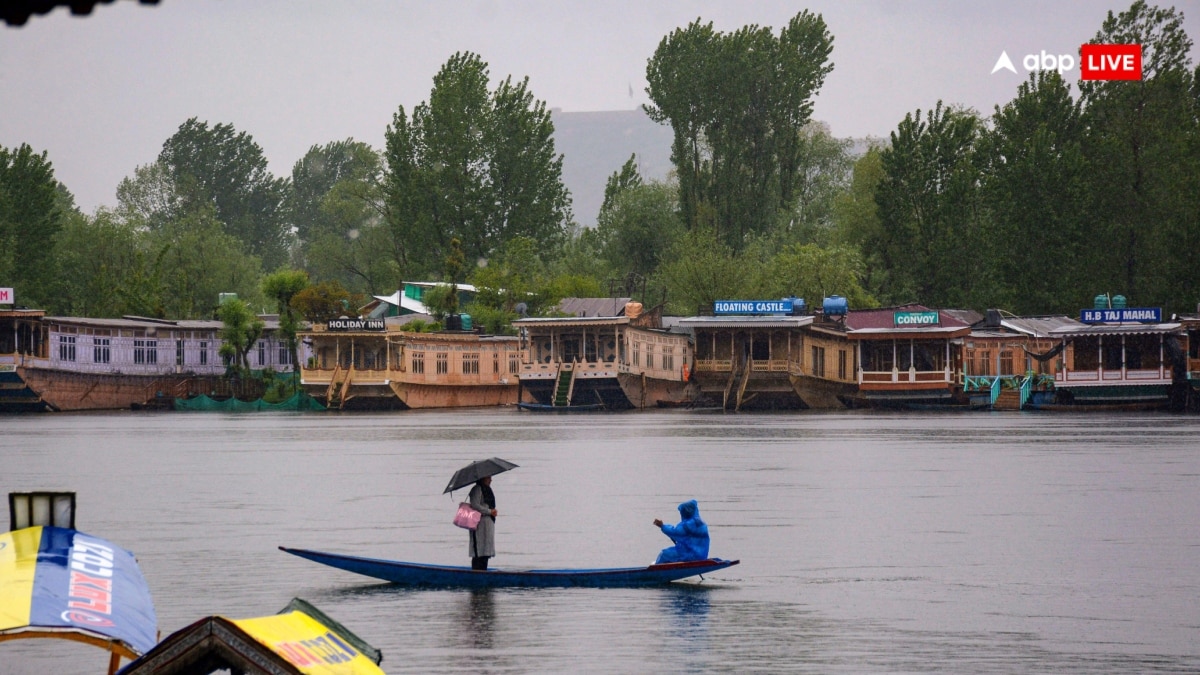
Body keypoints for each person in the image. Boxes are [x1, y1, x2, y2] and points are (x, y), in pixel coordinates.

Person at [652, 499, 710, 564]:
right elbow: (684, 536)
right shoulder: (701, 523)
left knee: (664, 554)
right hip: (701, 555)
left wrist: (662, 526)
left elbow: (675, 533)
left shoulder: (689, 524)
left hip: (691, 555)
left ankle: (656, 570)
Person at [467, 476, 498, 570]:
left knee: (485, 551)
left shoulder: (487, 489)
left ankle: (483, 571)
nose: (490, 480)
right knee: (478, 551)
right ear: (482, 478)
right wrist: (489, 511)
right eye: (488, 478)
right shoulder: (477, 489)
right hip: (479, 524)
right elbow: (475, 505)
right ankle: (476, 572)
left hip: (488, 524)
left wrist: (492, 512)